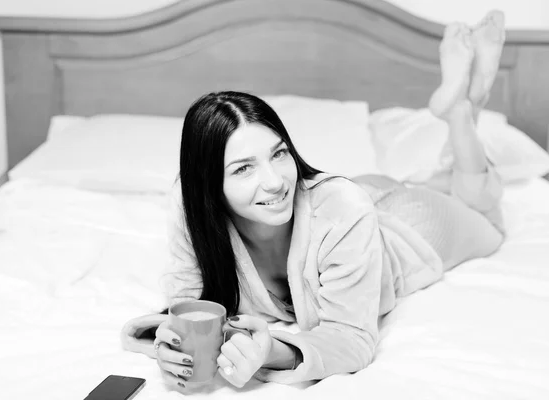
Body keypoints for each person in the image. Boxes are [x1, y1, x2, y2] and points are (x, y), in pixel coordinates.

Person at [121, 10, 507, 391]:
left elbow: (352, 338)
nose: (274, 182)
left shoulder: (341, 206)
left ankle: (459, 114)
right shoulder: (188, 205)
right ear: (206, 186)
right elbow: (188, 303)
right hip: (351, 202)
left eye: (278, 153)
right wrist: (170, 345)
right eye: (243, 169)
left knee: (487, 220)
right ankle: (466, 105)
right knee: (427, 179)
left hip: (407, 224)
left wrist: (271, 350)